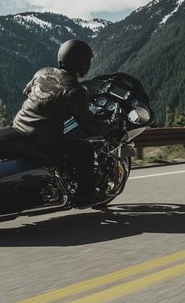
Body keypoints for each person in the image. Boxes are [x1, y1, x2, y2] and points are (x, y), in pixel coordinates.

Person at [13, 39, 115, 206]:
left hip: (19, 127)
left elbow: (27, 91)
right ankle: (85, 195)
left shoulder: (43, 72)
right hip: (43, 138)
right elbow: (90, 127)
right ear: (82, 63)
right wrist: (110, 126)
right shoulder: (75, 90)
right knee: (85, 148)